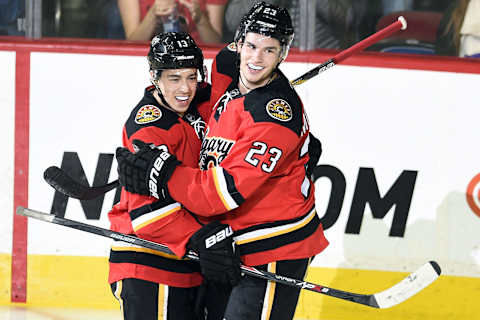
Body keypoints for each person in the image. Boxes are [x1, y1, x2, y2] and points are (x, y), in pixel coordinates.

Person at [115, 2, 329, 319]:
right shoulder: (228, 70)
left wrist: (163, 174)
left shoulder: (272, 118)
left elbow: (219, 193)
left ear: (282, 55)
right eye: (252, 46)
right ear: (238, 43)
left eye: (269, 51)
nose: (256, 59)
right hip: (226, 246)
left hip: (272, 243)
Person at [108, 32, 239, 320]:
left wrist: (245, 42)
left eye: (192, 77)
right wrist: (201, 236)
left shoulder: (201, 103)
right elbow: (146, 215)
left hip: (189, 263)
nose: (185, 89)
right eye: (174, 78)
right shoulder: (148, 128)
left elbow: (229, 70)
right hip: (148, 263)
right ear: (155, 77)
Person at [117, 0, 227, 43]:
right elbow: (132, 44)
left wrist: (200, 20)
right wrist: (152, 15)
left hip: (196, 60)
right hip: (149, 60)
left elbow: (215, 44)